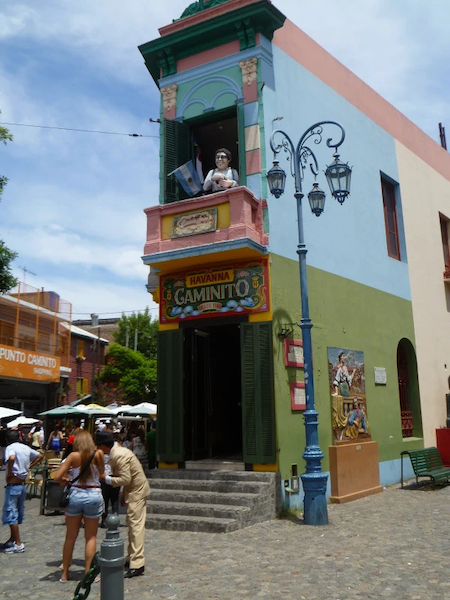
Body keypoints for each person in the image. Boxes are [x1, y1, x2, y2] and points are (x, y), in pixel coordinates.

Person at [54, 430, 105, 583]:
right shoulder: (99, 454)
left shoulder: (73, 456)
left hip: (76, 494)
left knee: (70, 537)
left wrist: (66, 479)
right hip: (94, 494)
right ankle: (88, 572)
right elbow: (101, 475)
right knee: (91, 537)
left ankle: (65, 573)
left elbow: (57, 477)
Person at [97, 431, 150, 579]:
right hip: (133, 491)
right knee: (133, 527)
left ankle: (137, 564)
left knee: (136, 528)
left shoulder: (118, 455)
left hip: (136, 492)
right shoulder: (118, 452)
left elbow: (125, 479)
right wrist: (122, 494)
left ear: (102, 446)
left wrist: (106, 479)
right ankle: (132, 557)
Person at [2, 430, 43, 553]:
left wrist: (9, 472)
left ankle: (18, 543)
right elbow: (40, 456)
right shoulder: (25, 447)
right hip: (22, 484)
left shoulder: (10, 448)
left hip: (13, 484)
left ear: (7, 440)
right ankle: (13, 539)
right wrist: (29, 466)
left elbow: (12, 457)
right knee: (18, 512)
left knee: (11, 514)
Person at [95, 432, 120, 529]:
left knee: (106, 498)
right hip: (112, 475)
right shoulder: (117, 446)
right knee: (114, 498)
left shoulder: (98, 449)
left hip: (105, 475)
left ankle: (106, 519)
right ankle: (114, 517)